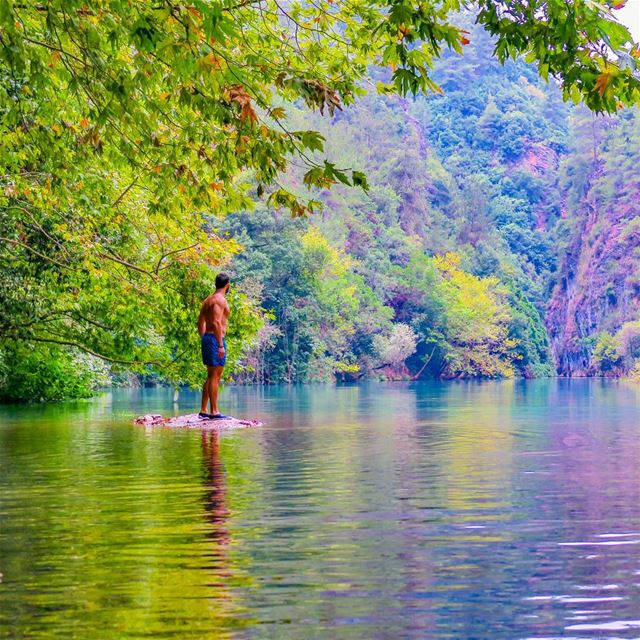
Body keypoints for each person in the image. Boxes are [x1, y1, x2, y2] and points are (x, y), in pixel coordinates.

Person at [198, 273, 231, 419]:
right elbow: (217, 322)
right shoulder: (219, 300)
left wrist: (204, 336)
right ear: (227, 284)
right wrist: (219, 345)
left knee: (211, 376)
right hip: (215, 340)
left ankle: (204, 410)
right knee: (215, 376)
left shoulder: (208, 300)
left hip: (208, 338)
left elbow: (200, 321)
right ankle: (214, 411)